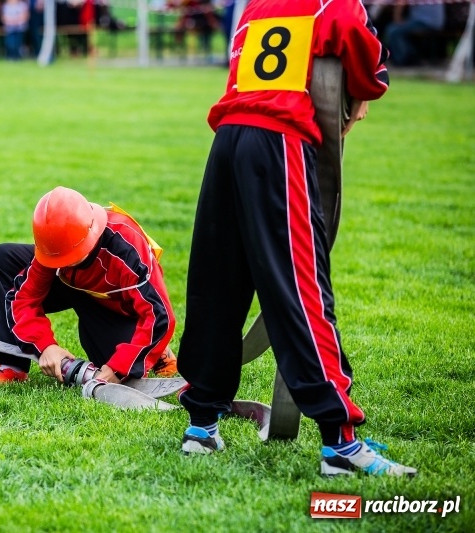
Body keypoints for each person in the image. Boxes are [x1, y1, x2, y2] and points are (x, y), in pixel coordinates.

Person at [176, 0, 417, 477]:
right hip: (278, 141)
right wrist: (369, 89)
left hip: (227, 139)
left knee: (216, 285)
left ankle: (201, 425)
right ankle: (340, 445)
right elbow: (352, 28)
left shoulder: (256, 5)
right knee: (302, 290)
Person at [0, 186, 178, 386]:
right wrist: (45, 345)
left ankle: (160, 352)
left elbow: (159, 314)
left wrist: (119, 368)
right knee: (1, 258)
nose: (61, 263)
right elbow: (23, 299)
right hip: (72, 285)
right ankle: (8, 364)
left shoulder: (127, 246)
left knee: (112, 369)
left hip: (112, 306)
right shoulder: (54, 246)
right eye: (54, 258)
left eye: (68, 257)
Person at [384, 1, 445, 67]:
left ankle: (404, 59)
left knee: (393, 30)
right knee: (396, 29)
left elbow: (401, 2)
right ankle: (409, 56)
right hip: (436, 22)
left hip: (425, 22)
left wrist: (396, 16)